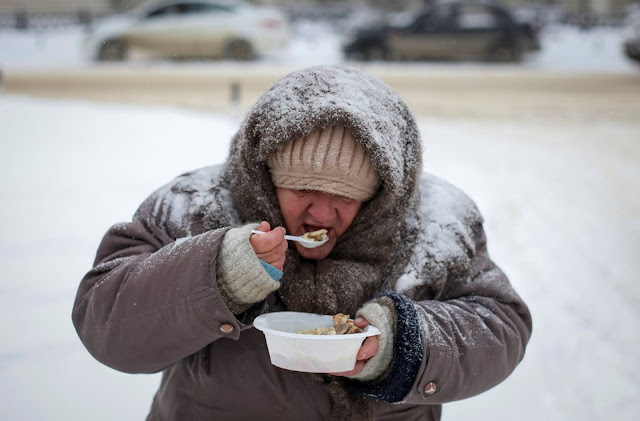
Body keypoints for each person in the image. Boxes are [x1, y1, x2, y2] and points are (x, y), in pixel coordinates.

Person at [72, 65, 531, 421]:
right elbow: (105, 325)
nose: (320, 215)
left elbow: (499, 325)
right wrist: (215, 277)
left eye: (346, 197)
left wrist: (401, 346)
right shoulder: (194, 205)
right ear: (266, 177)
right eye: (302, 189)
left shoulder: (436, 219)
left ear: (381, 196)